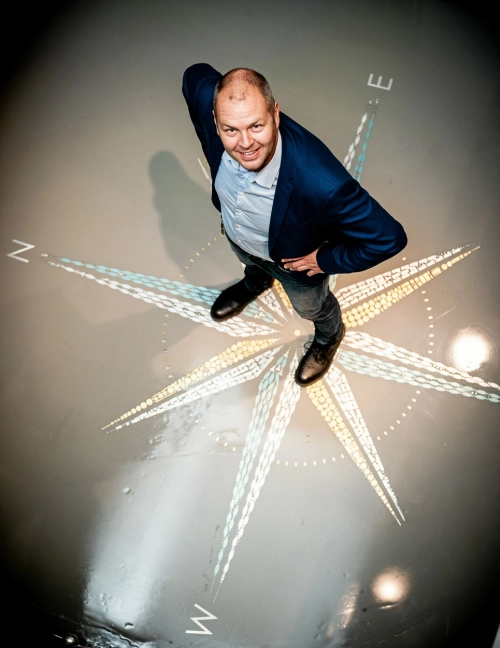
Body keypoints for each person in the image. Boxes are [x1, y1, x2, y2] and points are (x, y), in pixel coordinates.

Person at [182, 64, 407, 387]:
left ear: (275, 114)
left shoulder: (322, 182)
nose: (245, 144)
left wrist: (324, 260)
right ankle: (257, 282)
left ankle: (330, 336)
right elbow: (194, 76)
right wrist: (210, 143)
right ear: (216, 120)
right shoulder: (210, 102)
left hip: (292, 265)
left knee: (314, 309)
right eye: (230, 130)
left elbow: (389, 238)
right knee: (250, 263)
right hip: (240, 237)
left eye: (256, 126)